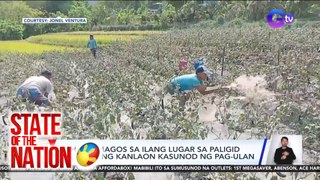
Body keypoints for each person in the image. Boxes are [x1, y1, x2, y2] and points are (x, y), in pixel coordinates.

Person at [164, 65, 230, 109]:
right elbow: (203, 92)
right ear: (199, 73)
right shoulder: (194, 79)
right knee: (181, 98)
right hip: (172, 86)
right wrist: (217, 90)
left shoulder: (198, 79)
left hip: (176, 86)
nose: (206, 75)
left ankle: (181, 109)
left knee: (186, 95)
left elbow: (205, 88)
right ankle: (179, 110)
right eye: (205, 74)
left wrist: (217, 88)